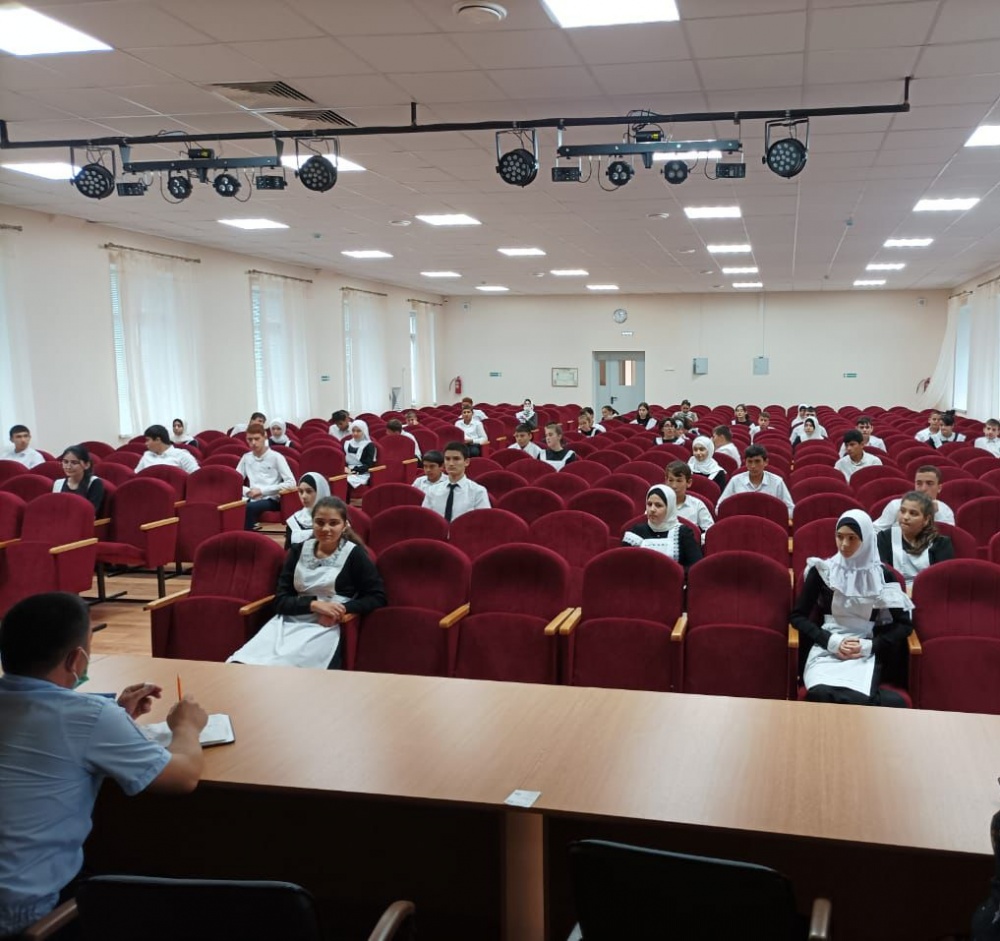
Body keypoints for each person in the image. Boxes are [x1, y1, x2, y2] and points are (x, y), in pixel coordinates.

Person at [0, 592, 207, 937]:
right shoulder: (91, 717)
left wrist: (117, 717)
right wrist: (187, 726)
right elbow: (184, 777)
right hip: (24, 914)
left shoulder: (91, 718)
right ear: (77, 659)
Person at [228, 497, 386, 669]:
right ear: (312, 523)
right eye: (320, 522)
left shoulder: (355, 555)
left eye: (333, 523)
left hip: (326, 625)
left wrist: (343, 610)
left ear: (344, 525)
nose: (326, 529)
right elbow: (281, 600)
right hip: (289, 620)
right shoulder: (297, 551)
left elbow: (377, 597)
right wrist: (313, 605)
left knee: (284, 666)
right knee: (245, 660)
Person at [790, 510, 914, 706]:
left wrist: (870, 646)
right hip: (826, 648)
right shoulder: (823, 571)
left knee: (858, 699)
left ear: (866, 540)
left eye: (852, 538)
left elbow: (904, 625)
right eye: (839, 537)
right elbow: (797, 617)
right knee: (820, 694)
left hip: (863, 651)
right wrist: (831, 641)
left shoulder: (882, 576)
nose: (844, 545)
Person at [876, 491, 955, 588]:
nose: (905, 517)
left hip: (929, 592)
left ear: (926, 519)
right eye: (902, 511)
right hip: (894, 591)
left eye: (913, 513)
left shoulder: (940, 543)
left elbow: (941, 579)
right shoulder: (884, 538)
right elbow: (882, 574)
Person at [621, 484, 703, 572]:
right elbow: (624, 565)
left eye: (658, 505)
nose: (652, 509)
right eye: (649, 504)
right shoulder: (636, 531)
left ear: (669, 508)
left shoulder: (683, 533)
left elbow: (695, 568)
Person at [235, 422, 296, 531]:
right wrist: (247, 491)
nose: (253, 443)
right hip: (251, 497)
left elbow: (291, 483)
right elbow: (235, 482)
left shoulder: (276, 457)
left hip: (271, 499)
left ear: (265, 437)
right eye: (250, 439)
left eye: (257, 439)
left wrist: (262, 491)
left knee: (249, 508)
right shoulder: (246, 458)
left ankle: (248, 537)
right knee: (232, 508)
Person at [716, 444, 795, 518]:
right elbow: (719, 508)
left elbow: (790, 509)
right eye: (750, 461)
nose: (753, 466)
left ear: (766, 462)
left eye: (757, 461)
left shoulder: (777, 482)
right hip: (741, 522)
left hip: (769, 523)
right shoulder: (735, 481)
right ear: (745, 462)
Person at [421, 442, 490, 521]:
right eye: (447, 459)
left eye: (456, 459)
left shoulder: (478, 492)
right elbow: (425, 519)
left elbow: (483, 521)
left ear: (466, 462)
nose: (451, 463)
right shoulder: (432, 491)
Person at [873, 465, 955, 531]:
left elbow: (947, 537)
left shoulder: (945, 510)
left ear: (939, 488)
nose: (923, 489)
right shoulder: (896, 505)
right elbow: (875, 531)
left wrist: (935, 514)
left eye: (929, 483)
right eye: (919, 483)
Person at [665, 461, 714, 542]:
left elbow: (711, 531)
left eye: (679, 481)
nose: (674, 486)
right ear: (666, 481)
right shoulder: (657, 503)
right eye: (671, 480)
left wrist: (695, 541)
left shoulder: (697, 505)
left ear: (689, 483)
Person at [52, 445, 104, 513]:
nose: (68, 467)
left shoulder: (94, 482)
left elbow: (91, 512)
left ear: (86, 465)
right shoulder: (58, 483)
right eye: (65, 462)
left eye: (74, 463)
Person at [285, 471, 331, 549]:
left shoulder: (336, 519)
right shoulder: (294, 521)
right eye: (301, 492)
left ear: (320, 491)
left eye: (309, 491)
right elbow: (288, 551)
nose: (303, 496)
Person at [134, 424, 200, 474]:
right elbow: (136, 475)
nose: (145, 443)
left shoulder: (182, 455)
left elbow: (196, 476)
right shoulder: (147, 455)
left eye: (148, 440)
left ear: (158, 440)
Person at [344, 419, 377, 490]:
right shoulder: (347, 443)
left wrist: (353, 471)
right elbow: (342, 460)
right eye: (353, 431)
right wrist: (345, 468)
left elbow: (369, 465)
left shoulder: (369, 445)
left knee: (345, 481)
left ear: (364, 431)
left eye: (358, 431)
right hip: (347, 471)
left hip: (362, 473)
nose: (355, 433)